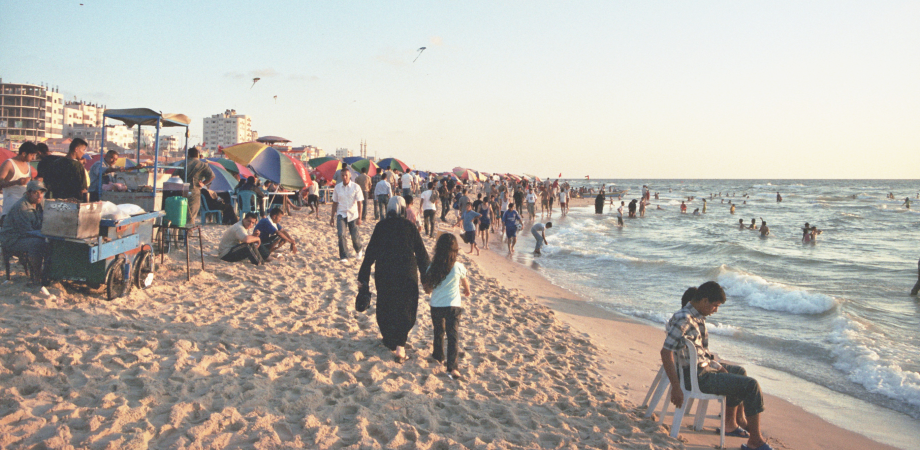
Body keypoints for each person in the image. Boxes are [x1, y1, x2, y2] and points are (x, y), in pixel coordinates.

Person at [661, 282, 772, 450]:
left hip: (699, 369)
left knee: (740, 371)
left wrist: (716, 365)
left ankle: (731, 424)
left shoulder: (694, 316)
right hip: (698, 377)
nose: (716, 310)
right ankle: (755, 441)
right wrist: (676, 387)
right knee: (752, 386)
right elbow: (665, 351)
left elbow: (699, 352)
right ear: (705, 301)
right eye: (715, 305)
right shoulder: (685, 319)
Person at [358, 196, 430, 363]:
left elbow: (369, 255)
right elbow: (422, 255)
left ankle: (389, 339)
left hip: (385, 272)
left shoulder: (381, 227)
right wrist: (427, 277)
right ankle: (400, 346)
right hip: (407, 273)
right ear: (403, 210)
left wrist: (363, 278)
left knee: (386, 304)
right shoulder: (410, 227)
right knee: (406, 306)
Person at [423, 233, 470, 380]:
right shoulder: (458, 267)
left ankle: (438, 355)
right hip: (453, 306)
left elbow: (428, 289)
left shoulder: (432, 267)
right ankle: (453, 368)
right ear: (455, 250)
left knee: (439, 331)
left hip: (436, 305)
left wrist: (428, 288)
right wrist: (467, 291)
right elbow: (465, 282)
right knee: (453, 335)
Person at [0, 181, 52, 294]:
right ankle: (36, 278)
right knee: (37, 244)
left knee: (51, 242)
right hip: (13, 238)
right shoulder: (21, 207)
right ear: (28, 193)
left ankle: (47, 274)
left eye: (42, 193)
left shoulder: (40, 203)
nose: (39, 196)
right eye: (36, 193)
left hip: (27, 234)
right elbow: (28, 231)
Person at [330, 168, 364, 262]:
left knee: (354, 236)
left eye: (346, 175)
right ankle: (344, 255)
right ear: (340, 176)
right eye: (342, 175)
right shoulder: (337, 187)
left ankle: (358, 249)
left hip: (353, 214)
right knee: (341, 234)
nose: (344, 177)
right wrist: (332, 217)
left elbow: (359, 203)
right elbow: (335, 203)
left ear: (349, 176)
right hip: (341, 214)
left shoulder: (356, 187)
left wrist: (360, 217)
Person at [0, 141, 38, 218]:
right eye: (32, 155)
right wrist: (17, 182)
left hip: (25, 204)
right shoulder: (9, 164)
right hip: (11, 204)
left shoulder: (27, 164)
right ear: (24, 153)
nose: (33, 158)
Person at [181, 147, 215, 225]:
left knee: (182, 211)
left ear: (188, 155)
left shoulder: (183, 163)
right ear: (198, 155)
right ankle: (188, 231)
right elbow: (212, 176)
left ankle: (181, 231)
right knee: (192, 213)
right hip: (194, 189)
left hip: (182, 189)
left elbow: (174, 175)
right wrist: (203, 183)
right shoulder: (202, 164)